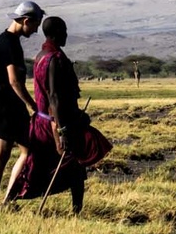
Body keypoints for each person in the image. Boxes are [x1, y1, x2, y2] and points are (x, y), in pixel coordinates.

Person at [6, 15, 111, 214]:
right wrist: (61, 130)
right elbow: (54, 96)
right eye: (64, 32)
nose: (66, 35)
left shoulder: (40, 56)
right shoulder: (54, 59)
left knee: (44, 166)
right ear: (56, 34)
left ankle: (12, 200)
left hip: (43, 121)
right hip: (54, 124)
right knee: (72, 165)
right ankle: (75, 210)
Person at [0, 0, 44, 212]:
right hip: (9, 102)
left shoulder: (5, 40)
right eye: (35, 25)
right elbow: (14, 80)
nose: (36, 30)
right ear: (25, 21)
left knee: (11, 152)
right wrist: (33, 105)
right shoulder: (9, 43)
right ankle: (0, 203)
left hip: (3, 99)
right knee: (12, 153)